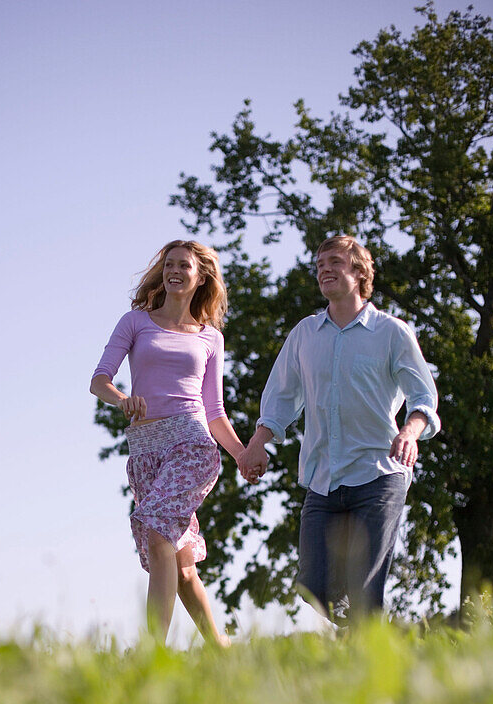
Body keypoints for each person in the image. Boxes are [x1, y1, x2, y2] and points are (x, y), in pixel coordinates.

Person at [239, 234, 440, 624]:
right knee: (312, 585)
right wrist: (258, 443)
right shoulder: (305, 335)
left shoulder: (391, 332)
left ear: (360, 272)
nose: (324, 269)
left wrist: (410, 432)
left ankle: (366, 651)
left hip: (379, 474)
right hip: (323, 478)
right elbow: (280, 398)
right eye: (319, 265)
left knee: (366, 586)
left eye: (334, 262)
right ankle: (357, 631)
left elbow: (423, 399)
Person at [91, 239, 247, 645]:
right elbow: (99, 380)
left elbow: (214, 411)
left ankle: (151, 655)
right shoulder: (135, 322)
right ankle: (221, 649)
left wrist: (243, 455)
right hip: (145, 449)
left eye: (184, 266)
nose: (175, 271)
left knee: (157, 531)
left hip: (191, 442)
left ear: (201, 277)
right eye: (169, 264)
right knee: (180, 566)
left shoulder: (210, 338)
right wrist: (123, 400)